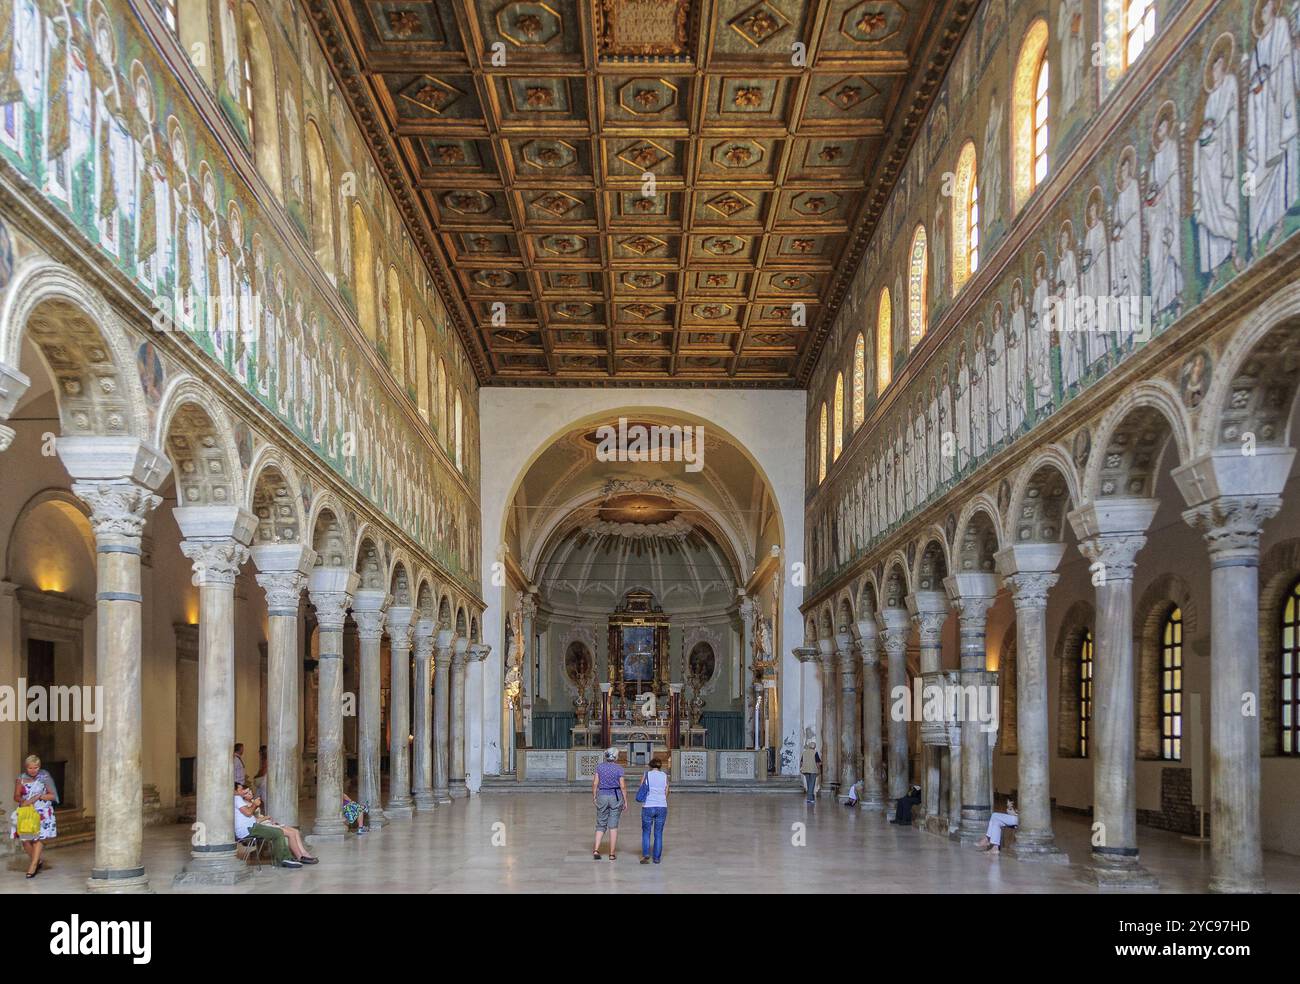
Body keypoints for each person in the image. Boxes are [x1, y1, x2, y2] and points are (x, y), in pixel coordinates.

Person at [234, 782, 317, 868]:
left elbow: (248, 815)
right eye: (240, 789)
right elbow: (248, 813)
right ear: (235, 791)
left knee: (280, 832)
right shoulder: (237, 798)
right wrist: (255, 804)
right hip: (249, 828)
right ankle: (285, 858)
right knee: (279, 832)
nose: (242, 791)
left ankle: (288, 858)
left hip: (252, 826)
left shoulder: (237, 798)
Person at [10, 754, 58, 878]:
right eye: (30, 768)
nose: (33, 770)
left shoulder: (45, 777)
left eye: (36, 767)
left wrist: (38, 796)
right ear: (26, 767)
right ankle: (37, 861)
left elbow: (53, 796)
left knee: (38, 838)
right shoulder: (21, 778)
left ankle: (33, 865)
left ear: (39, 767)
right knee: (25, 840)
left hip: (42, 812)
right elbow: (16, 796)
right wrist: (23, 800)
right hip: (26, 811)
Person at [591, 746, 626, 860]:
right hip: (615, 796)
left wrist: (594, 796)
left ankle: (596, 850)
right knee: (613, 826)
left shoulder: (599, 767)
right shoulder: (619, 768)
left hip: (602, 795)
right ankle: (611, 854)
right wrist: (625, 800)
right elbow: (623, 786)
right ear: (615, 756)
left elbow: (595, 783)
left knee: (601, 824)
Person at [638, 758, 669, 865]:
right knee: (658, 833)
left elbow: (642, 787)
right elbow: (666, 791)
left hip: (648, 805)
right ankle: (656, 858)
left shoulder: (647, 774)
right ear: (660, 766)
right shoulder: (664, 775)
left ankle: (646, 854)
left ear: (650, 765)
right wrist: (661, 799)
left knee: (646, 832)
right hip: (662, 806)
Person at [800, 739, 821, 804]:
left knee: (809, 784)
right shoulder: (815, 752)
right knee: (812, 784)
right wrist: (819, 769)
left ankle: (811, 797)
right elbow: (817, 763)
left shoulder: (804, 752)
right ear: (814, 747)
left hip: (805, 770)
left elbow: (801, 762)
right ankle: (809, 799)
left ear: (809, 746)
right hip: (813, 770)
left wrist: (801, 768)